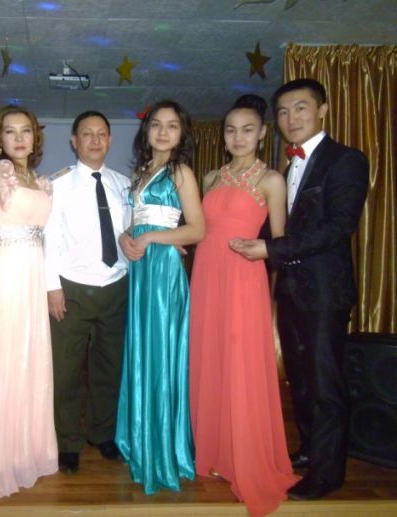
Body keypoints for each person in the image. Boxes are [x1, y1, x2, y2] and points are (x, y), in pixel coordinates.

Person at [230, 79, 369, 501]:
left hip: (325, 292)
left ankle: (328, 473)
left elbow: (338, 227)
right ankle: (310, 450)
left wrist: (270, 249)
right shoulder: (287, 167)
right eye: (284, 111)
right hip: (290, 290)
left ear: (322, 110)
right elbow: (275, 226)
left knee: (326, 384)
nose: (292, 118)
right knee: (302, 380)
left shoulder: (345, 160)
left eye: (301, 108)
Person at [189, 94, 299, 516]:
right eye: (231, 130)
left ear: (263, 133)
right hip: (206, 275)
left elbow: (280, 242)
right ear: (223, 135)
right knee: (211, 358)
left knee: (240, 362)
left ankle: (245, 457)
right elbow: (201, 229)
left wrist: (265, 258)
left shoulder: (271, 180)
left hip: (243, 277)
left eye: (247, 129)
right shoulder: (211, 176)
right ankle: (215, 450)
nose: (238, 137)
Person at [115, 99, 205, 494]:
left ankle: (164, 448)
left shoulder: (180, 172)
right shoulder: (140, 173)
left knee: (161, 354)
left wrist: (152, 236)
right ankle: (141, 437)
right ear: (146, 130)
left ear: (182, 133)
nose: (163, 132)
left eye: (172, 125)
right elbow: (133, 223)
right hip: (140, 269)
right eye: (156, 124)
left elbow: (197, 229)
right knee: (142, 353)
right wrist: (126, 237)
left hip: (164, 271)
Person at [0, 105, 58, 498]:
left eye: (26, 131)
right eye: (10, 131)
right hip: (5, 270)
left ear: (35, 137)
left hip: (34, 274)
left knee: (30, 357)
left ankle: (29, 450)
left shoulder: (40, 181)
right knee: (6, 357)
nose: (19, 138)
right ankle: (0, 457)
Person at [44, 111, 131, 474]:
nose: (94, 140)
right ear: (74, 141)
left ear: (110, 140)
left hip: (116, 286)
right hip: (71, 289)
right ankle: (67, 441)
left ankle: (102, 432)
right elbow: (48, 239)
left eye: (101, 134)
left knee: (109, 367)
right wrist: (52, 287)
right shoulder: (57, 185)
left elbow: (133, 234)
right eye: (86, 134)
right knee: (65, 370)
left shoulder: (124, 185)